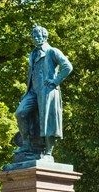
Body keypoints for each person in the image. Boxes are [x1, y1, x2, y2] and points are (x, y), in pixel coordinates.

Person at [14, 25, 73, 161]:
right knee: (21, 113)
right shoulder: (33, 54)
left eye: (38, 36)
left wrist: (55, 81)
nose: (35, 39)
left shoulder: (52, 51)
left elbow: (68, 66)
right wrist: (27, 91)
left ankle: (48, 152)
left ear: (45, 37)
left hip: (47, 91)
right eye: (33, 37)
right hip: (33, 92)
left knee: (47, 121)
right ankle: (27, 145)